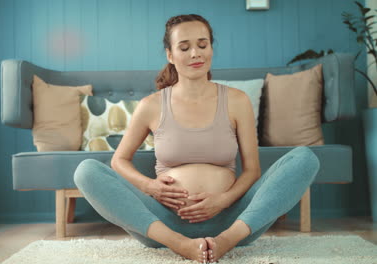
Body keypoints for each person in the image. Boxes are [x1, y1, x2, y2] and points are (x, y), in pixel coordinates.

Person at [74, 14, 320, 263]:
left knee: (304, 158)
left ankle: (224, 242)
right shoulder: (151, 105)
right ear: (170, 55)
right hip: (163, 224)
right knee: (86, 171)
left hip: (233, 221)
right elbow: (119, 161)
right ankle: (180, 244)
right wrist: (149, 186)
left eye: (203, 45)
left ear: (211, 49)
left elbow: (252, 171)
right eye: (184, 47)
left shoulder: (237, 101)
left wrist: (222, 201)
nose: (195, 53)